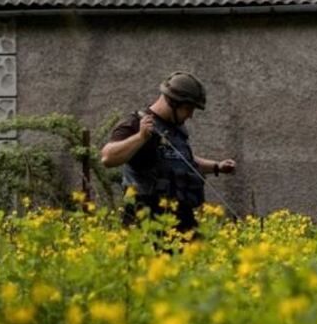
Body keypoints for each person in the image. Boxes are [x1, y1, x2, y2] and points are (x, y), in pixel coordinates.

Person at [100, 71, 236, 232]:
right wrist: (141, 137)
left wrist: (217, 166)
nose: (191, 115)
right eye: (188, 108)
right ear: (173, 102)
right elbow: (108, 157)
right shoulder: (137, 123)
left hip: (181, 219)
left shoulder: (177, 129)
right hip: (146, 220)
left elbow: (183, 160)